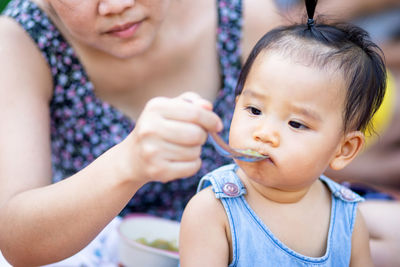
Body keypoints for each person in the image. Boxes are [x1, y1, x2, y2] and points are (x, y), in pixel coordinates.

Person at [0, 0, 284, 265]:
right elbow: (16, 240)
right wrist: (127, 164)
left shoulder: (246, 12)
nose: (117, 5)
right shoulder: (21, 41)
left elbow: (318, 152)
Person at [179, 0, 386, 266]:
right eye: (254, 110)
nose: (264, 133)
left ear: (343, 149)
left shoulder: (347, 218)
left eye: (296, 124)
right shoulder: (212, 210)